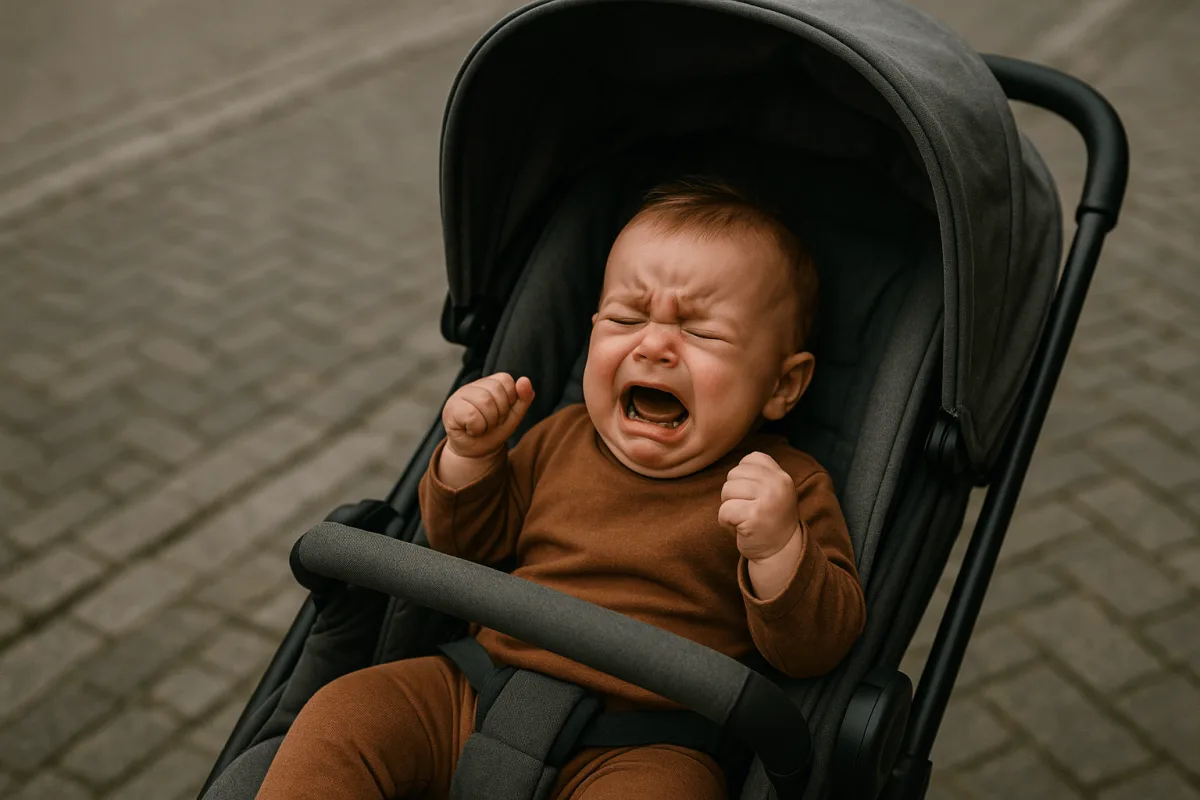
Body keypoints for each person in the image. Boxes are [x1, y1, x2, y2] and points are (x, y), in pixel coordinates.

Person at [255, 176, 866, 800]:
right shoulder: (560, 436)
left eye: (702, 332)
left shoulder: (782, 488)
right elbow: (468, 550)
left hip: (647, 742)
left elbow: (815, 651)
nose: (654, 344)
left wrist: (777, 550)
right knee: (346, 712)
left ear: (782, 386)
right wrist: (472, 457)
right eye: (626, 317)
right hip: (473, 687)